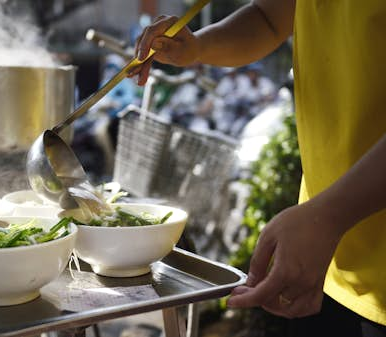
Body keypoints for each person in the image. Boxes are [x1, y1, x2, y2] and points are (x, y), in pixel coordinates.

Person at [129, 1, 386, 336]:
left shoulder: (326, 220)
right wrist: (199, 46)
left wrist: (328, 217)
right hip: (327, 258)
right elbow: (269, 19)